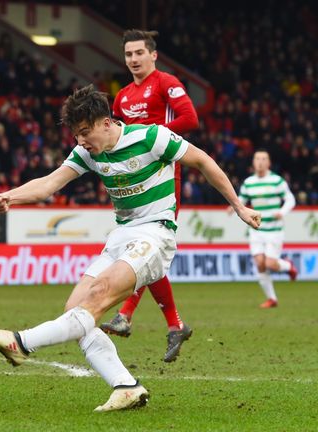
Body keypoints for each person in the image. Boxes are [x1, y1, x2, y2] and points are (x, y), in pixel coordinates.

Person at [0, 84, 260, 412]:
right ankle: (126, 387)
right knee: (76, 309)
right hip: (121, 236)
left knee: (97, 299)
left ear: (107, 123)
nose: (80, 141)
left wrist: (239, 206)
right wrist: (11, 195)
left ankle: (21, 343)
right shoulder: (86, 153)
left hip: (155, 235)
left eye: (85, 132)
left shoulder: (151, 138)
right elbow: (49, 184)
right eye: (76, 134)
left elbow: (204, 162)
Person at [103, 29, 200, 362]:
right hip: (134, 183)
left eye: (139, 53)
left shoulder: (165, 83)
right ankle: (167, 324)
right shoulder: (122, 97)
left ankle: (127, 315)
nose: (133, 59)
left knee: (148, 248)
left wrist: (150, 137)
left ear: (153, 55)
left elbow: (190, 118)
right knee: (143, 250)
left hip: (164, 177)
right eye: (128, 54)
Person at [236, 150, 297, 308]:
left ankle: (288, 266)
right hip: (257, 229)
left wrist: (282, 212)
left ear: (269, 163)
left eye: (264, 159)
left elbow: (290, 199)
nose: (260, 162)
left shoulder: (277, 181)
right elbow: (241, 200)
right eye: (257, 159)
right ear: (253, 162)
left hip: (274, 230)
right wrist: (234, 207)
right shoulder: (249, 182)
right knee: (260, 264)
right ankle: (272, 299)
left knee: (270, 264)